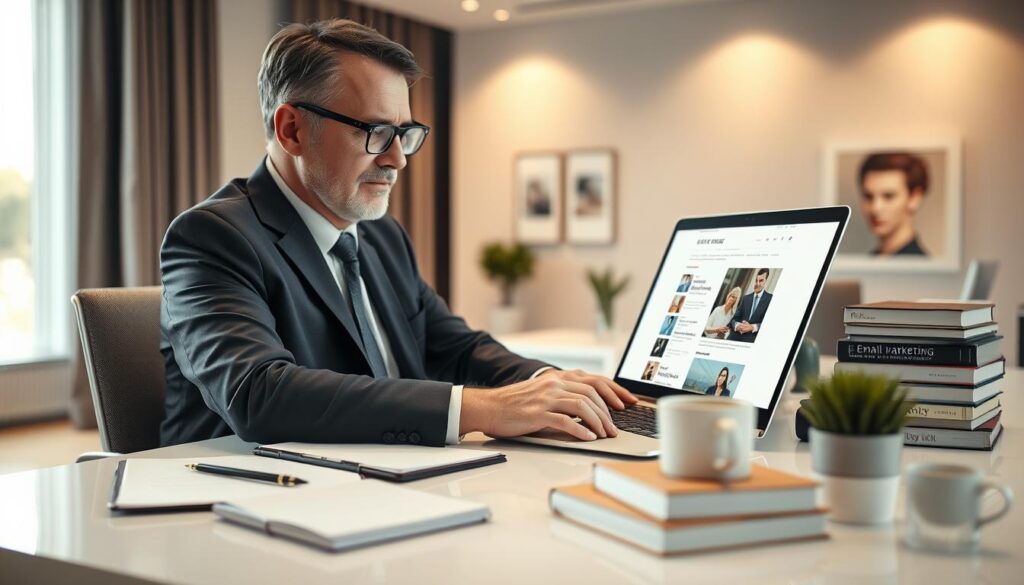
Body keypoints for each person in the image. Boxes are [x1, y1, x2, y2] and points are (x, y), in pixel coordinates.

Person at [158, 19, 637, 448]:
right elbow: (259, 394)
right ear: (292, 130)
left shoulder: (381, 236)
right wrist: (484, 409)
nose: (397, 159)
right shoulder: (212, 237)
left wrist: (550, 384)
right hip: (242, 497)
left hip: (382, 483)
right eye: (375, 132)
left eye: (403, 133)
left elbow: (454, 347)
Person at [858, 152, 929, 256]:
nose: (875, 208)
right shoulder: (869, 260)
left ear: (915, 198)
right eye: (868, 197)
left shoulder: (920, 263)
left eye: (888, 196)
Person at [729, 269, 773, 343]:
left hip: (752, 340)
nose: (757, 284)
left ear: (766, 281)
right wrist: (738, 326)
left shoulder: (770, 299)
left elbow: (770, 324)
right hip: (735, 337)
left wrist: (752, 327)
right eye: (756, 280)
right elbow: (733, 320)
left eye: (761, 281)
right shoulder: (746, 298)